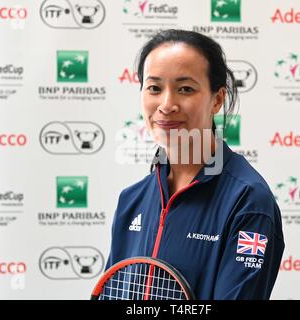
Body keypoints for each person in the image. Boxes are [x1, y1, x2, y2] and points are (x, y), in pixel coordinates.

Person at [105, 29, 285, 300]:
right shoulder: (132, 200)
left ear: (217, 99)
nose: (166, 105)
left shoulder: (247, 200)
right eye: (154, 88)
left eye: (185, 89)